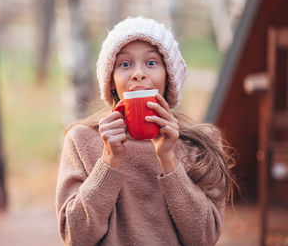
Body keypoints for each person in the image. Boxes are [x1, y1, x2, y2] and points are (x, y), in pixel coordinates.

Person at [55, 16, 237, 246]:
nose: (138, 73)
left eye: (151, 63)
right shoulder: (82, 141)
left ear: (168, 77)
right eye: (125, 64)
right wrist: (109, 159)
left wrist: (169, 159)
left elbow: (204, 238)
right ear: (111, 81)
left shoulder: (200, 145)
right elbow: (76, 237)